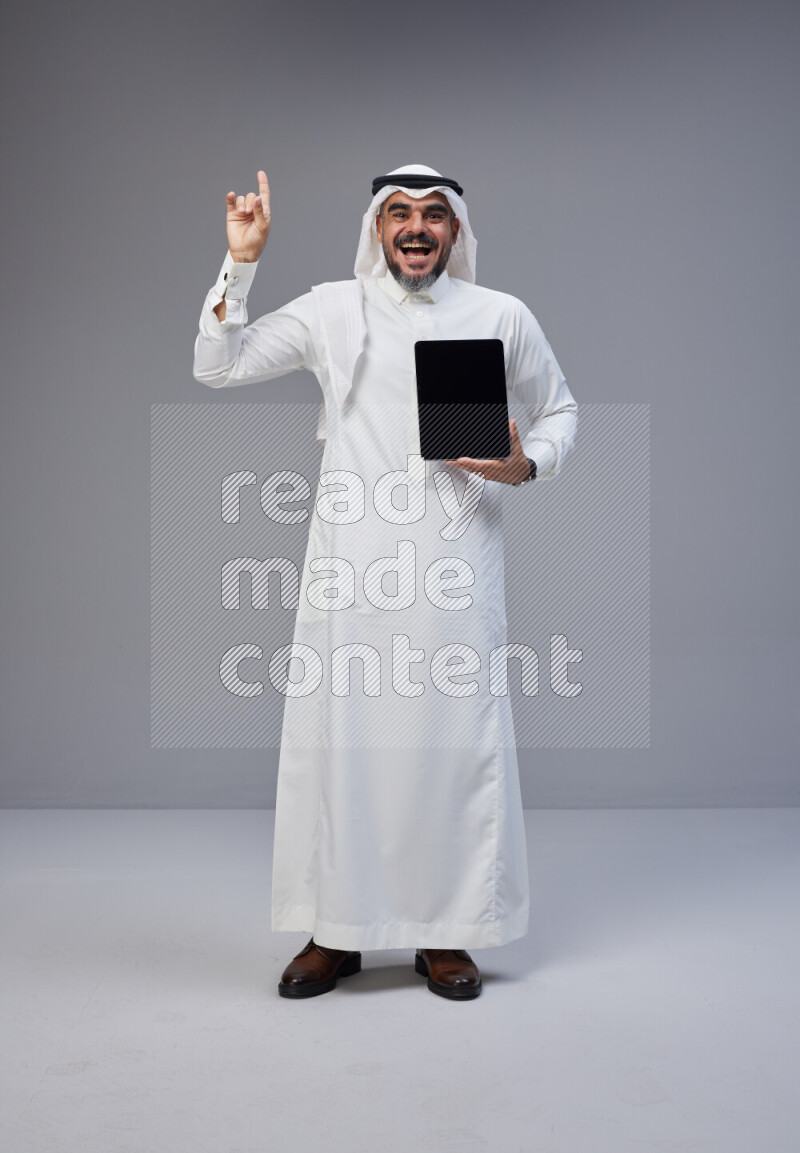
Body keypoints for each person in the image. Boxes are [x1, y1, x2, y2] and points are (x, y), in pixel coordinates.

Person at [194, 164, 577, 1000]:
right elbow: (217, 367)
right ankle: (338, 929)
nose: (415, 227)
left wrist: (525, 465)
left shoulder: (498, 315)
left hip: (452, 566)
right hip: (350, 567)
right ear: (376, 227)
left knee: (449, 747)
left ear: (456, 232)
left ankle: (446, 934)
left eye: (434, 215)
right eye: (398, 212)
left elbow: (562, 413)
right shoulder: (334, 308)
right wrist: (242, 264)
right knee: (345, 745)